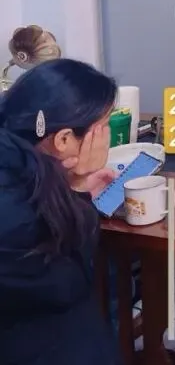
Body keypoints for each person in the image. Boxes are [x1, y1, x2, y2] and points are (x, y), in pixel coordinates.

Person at [0, 58, 121, 365]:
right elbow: (69, 282)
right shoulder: (14, 216)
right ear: (64, 139)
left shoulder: (13, 150)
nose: (106, 136)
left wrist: (73, 186)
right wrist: (78, 193)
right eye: (104, 127)